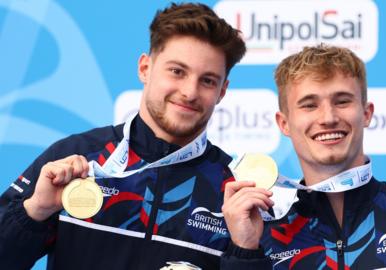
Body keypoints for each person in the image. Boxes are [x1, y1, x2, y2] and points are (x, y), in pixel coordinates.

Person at [0, 3, 246, 269]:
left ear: (222, 91)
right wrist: (36, 211)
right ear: (145, 68)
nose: (189, 92)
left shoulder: (232, 187)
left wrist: (247, 255)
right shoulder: (74, 156)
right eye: (177, 71)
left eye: (208, 80)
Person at [220, 44, 386, 269]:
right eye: (309, 105)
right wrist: (244, 251)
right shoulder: (261, 231)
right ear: (284, 123)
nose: (328, 118)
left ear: (366, 113)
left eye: (342, 101)